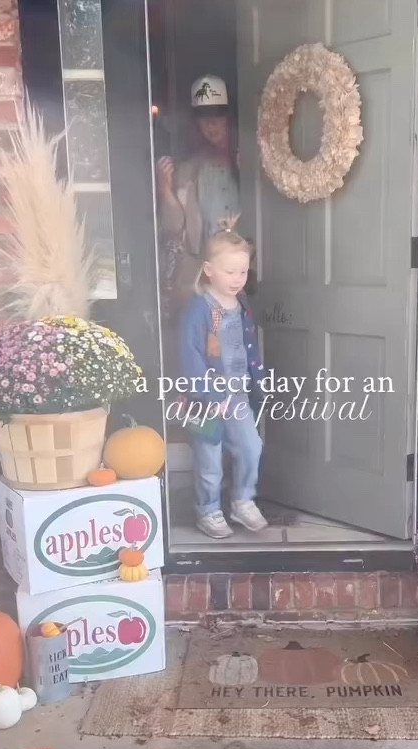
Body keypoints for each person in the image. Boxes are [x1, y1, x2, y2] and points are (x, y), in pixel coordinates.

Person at [178, 223, 268, 539]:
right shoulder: (200, 309)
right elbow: (190, 353)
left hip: (238, 396)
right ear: (208, 270)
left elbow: (248, 348)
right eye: (230, 271)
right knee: (209, 459)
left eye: (242, 272)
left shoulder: (241, 306)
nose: (237, 279)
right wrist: (206, 395)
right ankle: (208, 510)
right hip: (206, 401)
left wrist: (258, 380)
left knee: (251, 446)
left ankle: (242, 500)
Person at [157, 74, 241, 309]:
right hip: (208, 283)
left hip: (247, 276)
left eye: (217, 115)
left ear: (229, 117)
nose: (211, 124)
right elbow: (175, 229)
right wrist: (164, 189)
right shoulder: (189, 170)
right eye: (203, 118)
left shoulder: (250, 163)